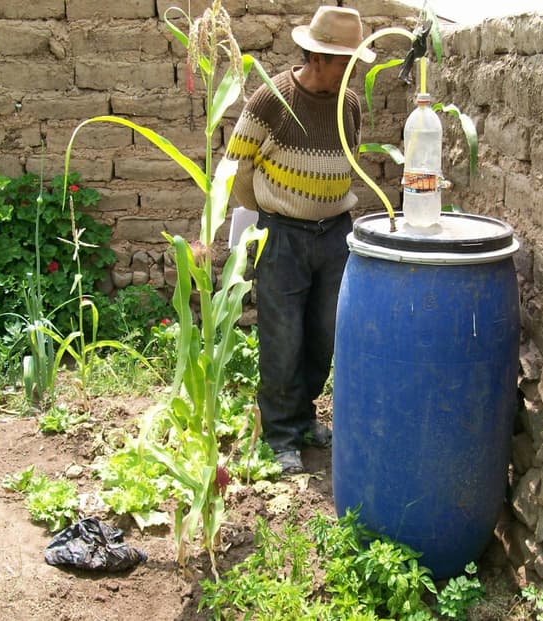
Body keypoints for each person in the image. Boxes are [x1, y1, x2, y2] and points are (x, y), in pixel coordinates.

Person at [224, 6, 376, 474]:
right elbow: (238, 164)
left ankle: (304, 416)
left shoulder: (348, 104)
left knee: (324, 333)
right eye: (344, 63)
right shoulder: (273, 100)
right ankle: (281, 434)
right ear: (317, 57)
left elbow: (348, 153)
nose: (351, 73)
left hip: (335, 235)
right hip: (283, 234)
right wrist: (268, 214)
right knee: (282, 336)